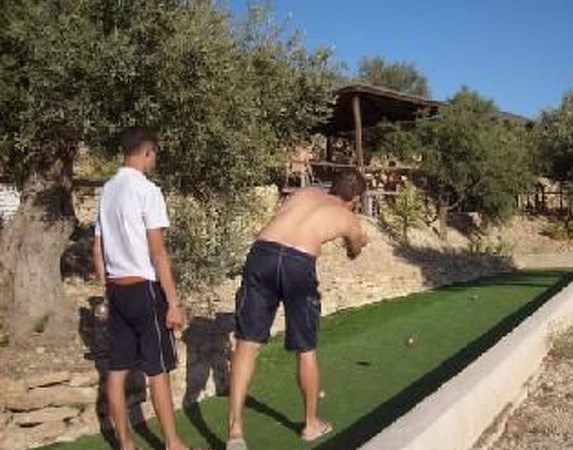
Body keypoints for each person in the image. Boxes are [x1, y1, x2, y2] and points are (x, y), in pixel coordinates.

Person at [227, 169, 369, 450]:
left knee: (247, 343)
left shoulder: (306, 192)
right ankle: (311, 424)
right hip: (298, 263)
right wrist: (359, 241)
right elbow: (354, 251)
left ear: (332, 186)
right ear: (355, 198)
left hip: (262, 253)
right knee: (306, 349)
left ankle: (235, 431)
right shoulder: (347, 217)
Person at [92, 126, 206, 450]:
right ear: (146, 152)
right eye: (154, 153)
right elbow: (158, 252)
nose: (155, 159)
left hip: (117, 289)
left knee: (117, 371)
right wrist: (173, 303)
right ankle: (173, 444)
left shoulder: (107, 190)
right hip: (144, 289)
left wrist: (106, 292)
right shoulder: (148, 191)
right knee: (158, 370)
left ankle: (126, 445)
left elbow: (97, 249)